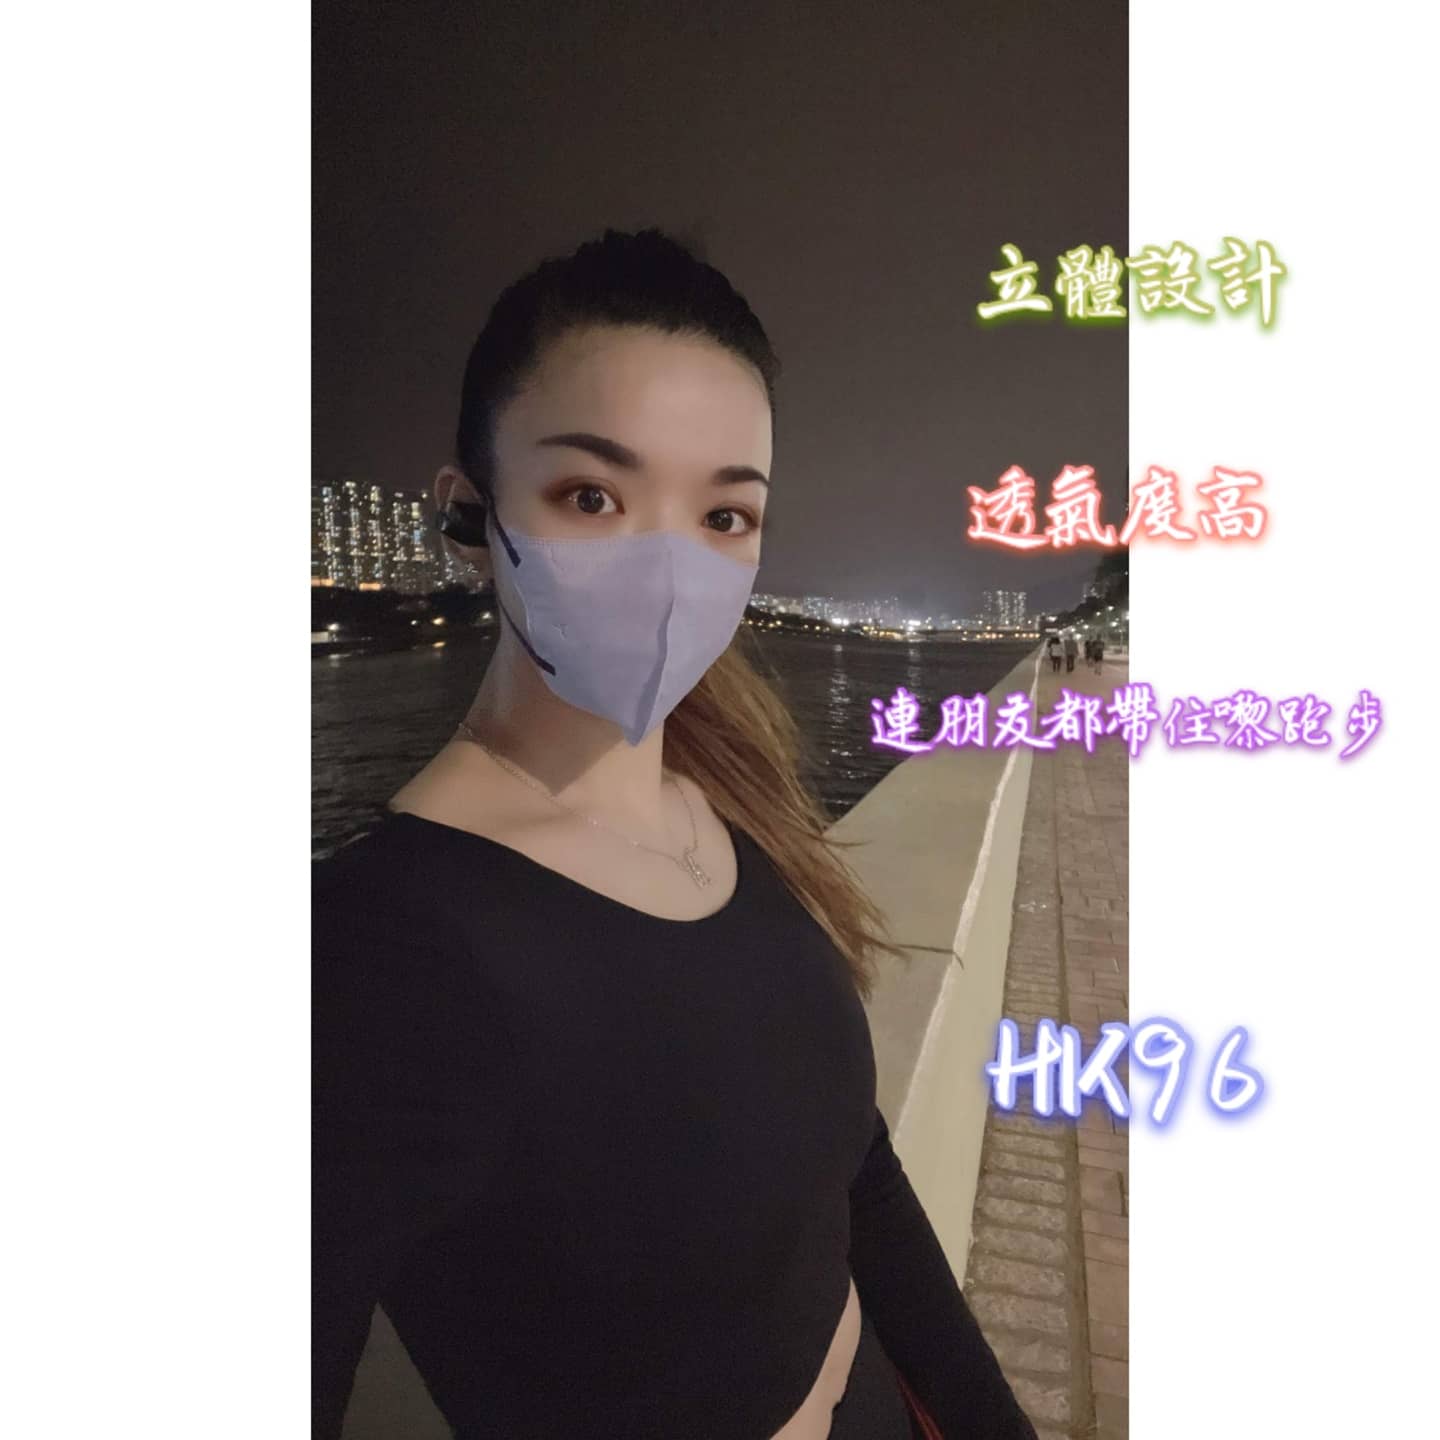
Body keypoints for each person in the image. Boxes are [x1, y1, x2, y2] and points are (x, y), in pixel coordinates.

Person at [313, 229, 1037, 1440]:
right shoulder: (377, 954)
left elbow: (853, 1170)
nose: (668, 568)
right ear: (470, 513)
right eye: (592, 496)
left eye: (724, 514)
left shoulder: (726, 800)